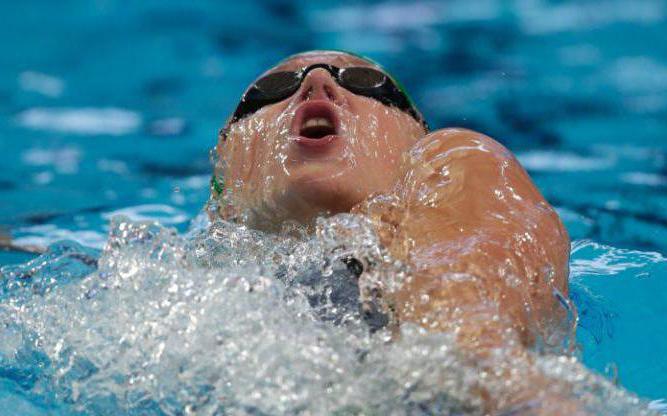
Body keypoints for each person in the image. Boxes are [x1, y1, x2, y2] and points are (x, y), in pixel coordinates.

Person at [211, 50, 579, 414]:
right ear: (224, 181)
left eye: (367, 84)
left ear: (415, 142)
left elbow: (477, 352)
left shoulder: (458, 160)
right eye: (271, 90)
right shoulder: (194, 291)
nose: (316, 83)